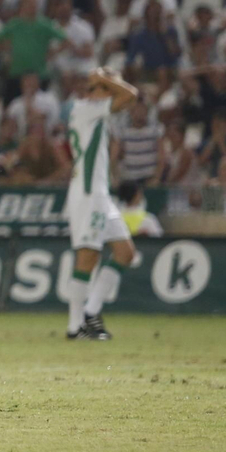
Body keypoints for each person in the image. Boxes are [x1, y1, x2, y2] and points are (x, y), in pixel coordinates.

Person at [63, 69, 144, 341]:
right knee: (88, 256)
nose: (111, 94)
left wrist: (104, 81)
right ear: (95, 90)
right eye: (106, 89)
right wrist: (104, 79)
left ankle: (91, 312)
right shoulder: (86, 108)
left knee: (125, 253)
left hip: (100, 194)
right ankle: (75, 327)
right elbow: (131, 95)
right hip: (88, 194)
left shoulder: (93, 112)